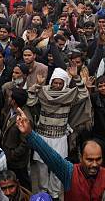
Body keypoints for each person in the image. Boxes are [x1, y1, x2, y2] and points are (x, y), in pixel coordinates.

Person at [15, 106, 105, 200]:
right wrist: (29, 133)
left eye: (98, 159)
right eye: (89, 160)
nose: (94, 164)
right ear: (81, 158)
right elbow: (49, 154)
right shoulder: (70, 173)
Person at [27, 65, 91, 198]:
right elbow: (31, 101)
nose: (57, 85)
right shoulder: (43, 91)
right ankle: (44, 194)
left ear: (64, 84)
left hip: (60, 137)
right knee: (42, 167)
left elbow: (84, 94)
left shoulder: (69, 94)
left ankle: (54, 194)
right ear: (51, 82)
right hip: (43, 135)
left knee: (58, 167)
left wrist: (76, 77)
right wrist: (37, 85)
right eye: (55, 82)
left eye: (60, 83)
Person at [0, 87, 33, 190]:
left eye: (10, 97)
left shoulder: (25, 118)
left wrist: (13, 155)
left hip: (17, 162)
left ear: (13, 101)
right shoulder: (10, 111)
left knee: (22, 184)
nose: (7, 98)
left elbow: (25, 143)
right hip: (8, 157)